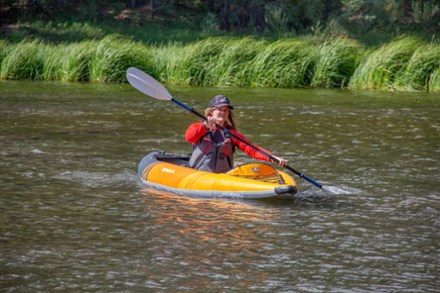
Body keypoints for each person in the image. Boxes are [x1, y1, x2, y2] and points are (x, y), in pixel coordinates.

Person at [185, 95, 288, 173]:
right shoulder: (199, 126)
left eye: (226, 110)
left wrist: (272, 157)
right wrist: (206, 126)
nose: (223, 112)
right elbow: (189, 137)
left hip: (223, 176)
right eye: (219, 109)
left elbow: (252, 149)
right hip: (198, 173)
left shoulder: (231, 134)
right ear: (211, 112)